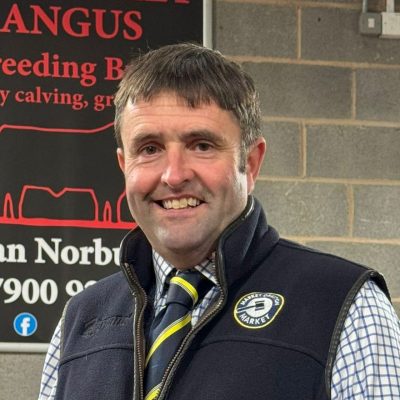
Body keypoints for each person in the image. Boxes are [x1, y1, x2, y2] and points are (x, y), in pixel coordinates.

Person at [39, 43, 400, 400]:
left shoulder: (345, 309)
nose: (174, 175)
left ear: (251, 163)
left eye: (202, 145)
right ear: (124, 165)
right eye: (149, 149)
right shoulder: (79, 322)